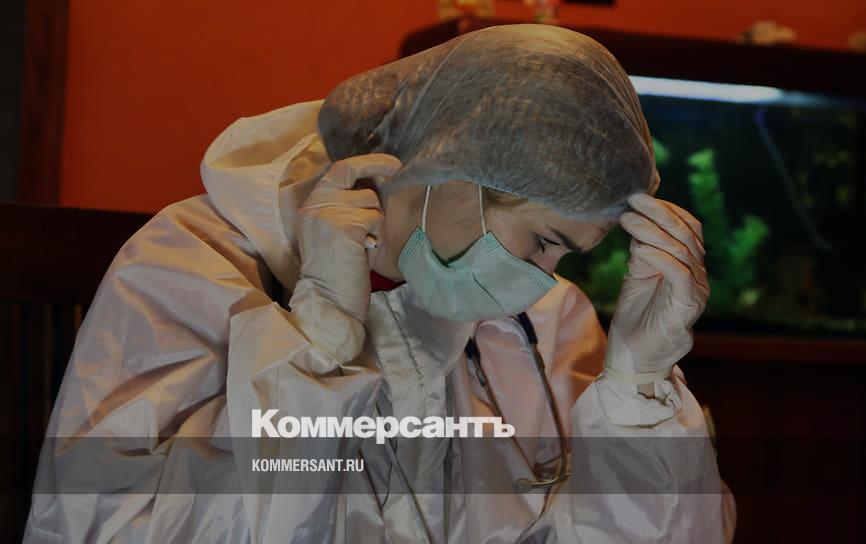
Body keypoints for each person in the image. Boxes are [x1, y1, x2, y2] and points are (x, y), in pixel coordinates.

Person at [24, 24, 735, 543]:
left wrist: (638, 390)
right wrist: (317, 343)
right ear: (450, 163)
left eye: (566, 255)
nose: (544, 280)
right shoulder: (189, 268)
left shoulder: (545, 320)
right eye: (545, 241)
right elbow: (108, 528)